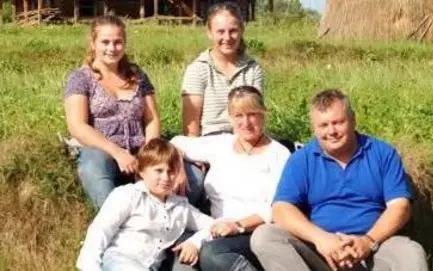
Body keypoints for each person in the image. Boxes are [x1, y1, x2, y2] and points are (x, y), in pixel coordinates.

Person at [251, 89, 428, 271]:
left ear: (353, 120)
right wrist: (322, 239)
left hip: (375, 247)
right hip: (320, 251)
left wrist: (368, 241)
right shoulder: (302, 159)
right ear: (314, 128)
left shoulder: (382, 153)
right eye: (324, 125)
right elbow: (281, 209)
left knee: (411, 252)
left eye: (338, 122)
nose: (332, 131)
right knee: (265, 236)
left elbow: (400, 207)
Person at [171, 86, 291, 271]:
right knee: (181, 255)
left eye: (252, 114)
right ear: (230, 117)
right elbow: (176, 142)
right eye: (239, 115)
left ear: (263, 114)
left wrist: (238, 226)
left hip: (255, 232)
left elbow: (275, 208)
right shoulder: (222, 144)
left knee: (213, 255)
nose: (246, 122)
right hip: (216, 228)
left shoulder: (279, 154)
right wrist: (178, 166)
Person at [63, 15, 161, 209]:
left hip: (139, 149)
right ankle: (115, 221)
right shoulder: (80, 78)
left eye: (117, 42)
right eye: (105, 42)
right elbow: (77, 126)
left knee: (183, 174)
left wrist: (148, 155)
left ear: (124, 44)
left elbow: (152, 119)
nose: (112, 48)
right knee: (93, 165)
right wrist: (117, 152)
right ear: (93, 44)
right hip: (103, 150)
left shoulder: (137, 75)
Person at [76, 138, 214, 271]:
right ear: (142, 171)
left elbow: (215, 225)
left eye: (171, 172)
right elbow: (101, 230)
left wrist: (195, 242)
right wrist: (91, 267)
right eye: (159, 171)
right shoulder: (129, 195)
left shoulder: (180, 206)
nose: (166, 177)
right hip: (120, 259)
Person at [181, 1, 264, 137]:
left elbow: (256, 117)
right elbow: (191, 128)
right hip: (208, 143)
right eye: (220, 31)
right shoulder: (197, 69)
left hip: (245, 139)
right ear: (210, 32)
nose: (227, 37)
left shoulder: (253, 69)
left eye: (233, 31)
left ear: (241, 31)